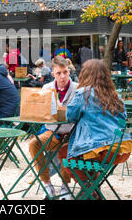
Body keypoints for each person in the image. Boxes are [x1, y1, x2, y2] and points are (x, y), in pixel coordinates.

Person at [60, 59, 132, 200]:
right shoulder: (116, 95)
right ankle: (93, 188)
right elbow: (123, 118)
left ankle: (89, 188)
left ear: (85, 75)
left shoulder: (84, 94)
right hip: (122, 149)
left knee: (64, 152)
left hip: (101, 150)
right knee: (86, 156)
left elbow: (70, 116)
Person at [28, 56, 78, 200]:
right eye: (58, 73)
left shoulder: (77, 88)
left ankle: (64, 186)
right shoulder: (46, 88)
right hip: (52, 132)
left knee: (65, 149)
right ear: (53, 74)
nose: (62, 76)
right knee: (33, 143)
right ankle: (47, 184)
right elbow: (39, 113)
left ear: (69, 71)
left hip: (72, 134)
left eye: (65, 72)